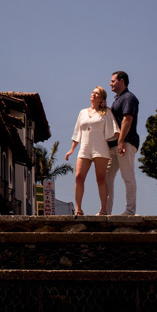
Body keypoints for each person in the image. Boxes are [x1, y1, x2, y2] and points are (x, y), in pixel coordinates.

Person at [64, 86, 119, 216]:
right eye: (93, 92)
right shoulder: (82, 112)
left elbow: (115, 130)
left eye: (97, 93)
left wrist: (121, 143)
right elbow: (77, 132)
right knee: (79, 177)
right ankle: (78, 209)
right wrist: (72, 149)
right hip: (84, 148)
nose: (93, 94)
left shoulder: (106, 112)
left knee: (101, 179)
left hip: (100, 148)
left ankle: (103, 209)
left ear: (102, 98)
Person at [106, 70, 140, 215]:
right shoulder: (117, 100)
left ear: (121, 81)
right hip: (113, 145)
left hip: (125, 142)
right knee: (107, 177)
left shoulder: (129, 98)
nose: (110, 84)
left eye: (113, 81)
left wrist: (121, 141)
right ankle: (105, 211)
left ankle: (130, 211)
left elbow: (127, 119)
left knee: (128, 176)